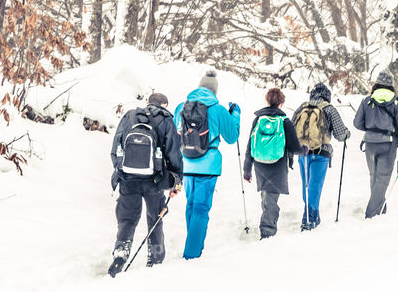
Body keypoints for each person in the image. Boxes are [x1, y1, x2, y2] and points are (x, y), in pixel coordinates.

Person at [108, 92, 182, 276]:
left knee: (126, 219)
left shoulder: (130, 115)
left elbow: (115, 147)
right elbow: (173, 153)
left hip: (128, 178)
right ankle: (155, 258)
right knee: (155, 218)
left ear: (147, 102)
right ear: (164, 105)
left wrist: (121, 170)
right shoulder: (166, 119)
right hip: (154, 181)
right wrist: (176, 181)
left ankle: (121, 252)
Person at [174, 70, 240, 259]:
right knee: (201, 208)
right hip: (208, 165)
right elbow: (232, 137)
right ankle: (192, 254)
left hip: (186, 163)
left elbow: (174, 133)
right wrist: (235, 115)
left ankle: (193, 244)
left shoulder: (181, 106)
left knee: (191, 205)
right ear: (214, 91)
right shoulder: (218, 109)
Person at [242, 88, 304, 238]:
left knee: (266, 196)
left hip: (260, 164)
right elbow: (295, 147)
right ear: (281, 103)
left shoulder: (258, 119)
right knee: (271, 199)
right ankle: (267, 232)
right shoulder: (284, 121)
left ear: (267, 101)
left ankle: (267, 228)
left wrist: (247, 169)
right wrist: (304, 150)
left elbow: (250, 145)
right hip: (277, 166)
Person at [290, 82, 351, 230]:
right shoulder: (329, 109)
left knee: (307, 186)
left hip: (302, 153)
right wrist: (347, 133)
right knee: (315, 186)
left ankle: (313, 217)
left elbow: (291, 128)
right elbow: (340, 134)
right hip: (320, 153)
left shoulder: (301, 108)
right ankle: (309, 220)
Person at [353, 69, 398, 218]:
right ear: (391, 85)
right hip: (388, 144)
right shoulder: (397, 102)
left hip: (370, 144)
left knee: (374, 177)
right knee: (383, 179)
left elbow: (357, 123)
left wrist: (371, 129)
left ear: (377, 84)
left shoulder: (367, 100)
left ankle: (380, 209)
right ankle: (371, 214)